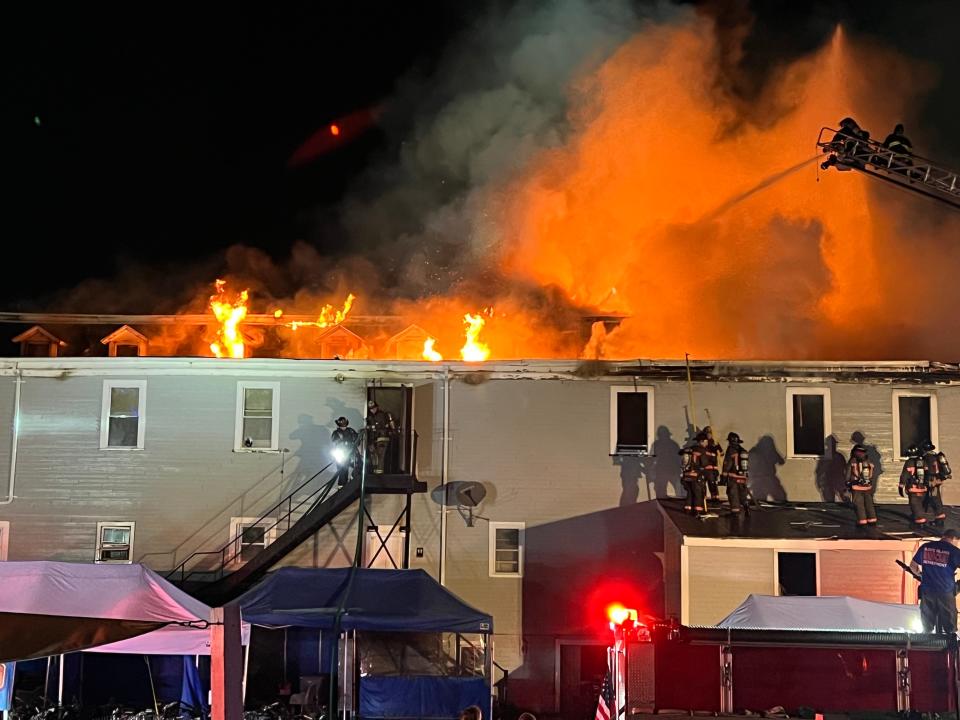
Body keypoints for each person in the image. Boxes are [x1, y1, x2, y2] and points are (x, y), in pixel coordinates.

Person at [910, 529, 960, 634]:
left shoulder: (926, 546)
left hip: (927, 591)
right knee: (950, 629)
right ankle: (951, 647)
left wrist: (920, 575)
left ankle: (926, 646)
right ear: (954, 538)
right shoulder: (954, 551)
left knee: (926, 627)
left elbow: (913, 566)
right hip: (945, 592)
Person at [847, 443, 877, 526]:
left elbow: (848, 473)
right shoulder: (868, 461)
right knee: (869, 503)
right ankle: (872, 518)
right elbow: (871, 475)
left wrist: (847, 483)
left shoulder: (852, 461)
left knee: (859, 504)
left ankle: (862, 520)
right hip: (867, 486)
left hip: (856, 487)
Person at [899, 443, 929, 526]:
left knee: (915, 504)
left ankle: (920, 521)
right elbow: (927, 474)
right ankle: (916, 516)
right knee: (920, 504)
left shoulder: (909, 463)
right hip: (923, 488)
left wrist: (901, 486)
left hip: (913, 488)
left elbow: (904, 475)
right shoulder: (923, 462)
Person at [921, 440, 950, 525]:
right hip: (937, 479)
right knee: (929, 497)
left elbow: (926, 470)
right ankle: (921, 515)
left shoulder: (926, 457)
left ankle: (939, 518)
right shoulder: (936, 456)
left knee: (934, 498)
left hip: (931, 480)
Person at [365, 400, 397, 474]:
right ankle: (375, 472)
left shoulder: (382, 415)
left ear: (377, 407)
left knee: (381, 455)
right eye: (371, 408)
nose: (372, 409)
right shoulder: (369, 417)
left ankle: (380, 473)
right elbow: (367, 427)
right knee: (373, 455)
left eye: (374, 408)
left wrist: (374, 427)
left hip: (382, 438)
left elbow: (384, 426)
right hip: (372, 439)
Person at [722, 432, 750, 514]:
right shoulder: (743, 450)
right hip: (743, 476)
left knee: (733, 493)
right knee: (742, 493)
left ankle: (735, 512)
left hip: (733, 476)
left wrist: (723, 478)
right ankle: (746, 505)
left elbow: (727, 464)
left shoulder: (730, 450)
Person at [679, 438, 705, 516]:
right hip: (696, 476)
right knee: (698, 493)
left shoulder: (687, 451)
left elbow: (680, 455)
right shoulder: (701, 451)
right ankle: (698, 510)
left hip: (686, 476)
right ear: (701, 441)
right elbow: (705, 463)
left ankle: (688, 509)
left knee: (690, 492)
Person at [330, 416, 358, 486]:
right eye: (341, 425)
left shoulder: (351, 431)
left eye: (344, 425)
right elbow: (334, 441)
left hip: (351, 454)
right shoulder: (336, 433)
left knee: (359, 465)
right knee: (342, 471)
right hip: (341, 455)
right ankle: (341, 488)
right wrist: (343, 442)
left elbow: (357, 440)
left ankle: (352, 478)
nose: (343, 427)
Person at [702, 426, 723, 502]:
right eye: (707, 433)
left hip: (713, 467)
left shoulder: (715, 442)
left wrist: (718, 449)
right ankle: (702, 499)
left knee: (712, 483)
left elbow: (722, 453)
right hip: (704, 467)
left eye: (710, 433)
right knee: (702, 484)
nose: (709, 435)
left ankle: (715, 498)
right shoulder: (703, 443)